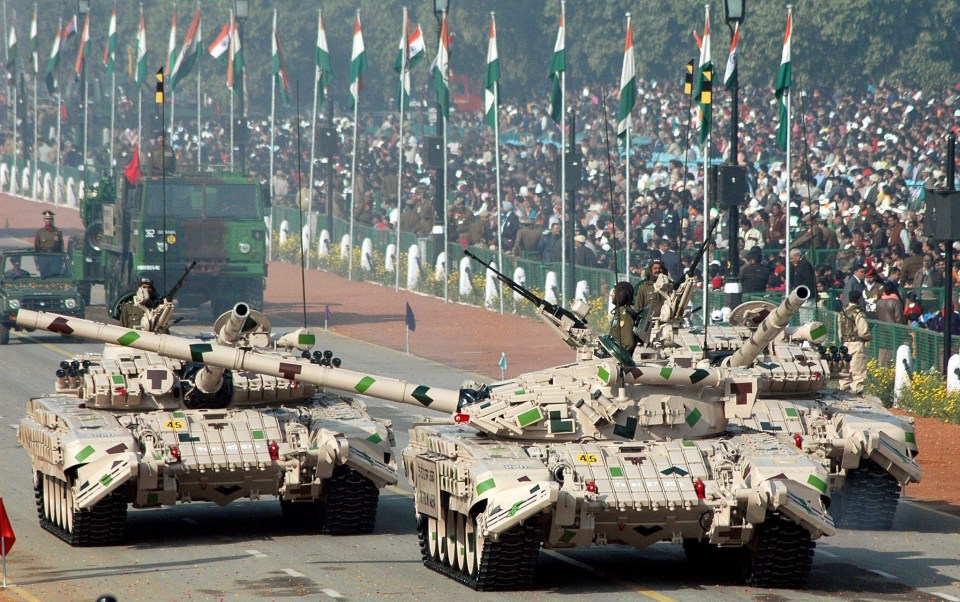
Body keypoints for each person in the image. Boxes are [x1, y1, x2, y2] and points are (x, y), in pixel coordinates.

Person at [838, 289, 872, 394]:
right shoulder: (858, 313)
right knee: (858, 370)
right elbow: (863, 332)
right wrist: (869, 337)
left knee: (845, 369)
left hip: (844, 344)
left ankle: (843, 389)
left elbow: (840, 330)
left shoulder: (842, 311)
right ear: (858, 299)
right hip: (856, 344)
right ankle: (857, 391)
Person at [875, 281, 903, 366]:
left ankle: (880, 368)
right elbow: (899, 318)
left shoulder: (879, 302)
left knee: (882, 351)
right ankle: (891, 369)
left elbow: (877, 315)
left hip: (881, 330)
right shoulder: (895, 302)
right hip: (893, 331)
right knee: (893, 352)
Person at [609, 281, 638, 353]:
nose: (612, 294)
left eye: (614, 292)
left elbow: (628, 343)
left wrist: (619, 355)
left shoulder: (624, 315)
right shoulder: (619, 312)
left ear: (621, 294)